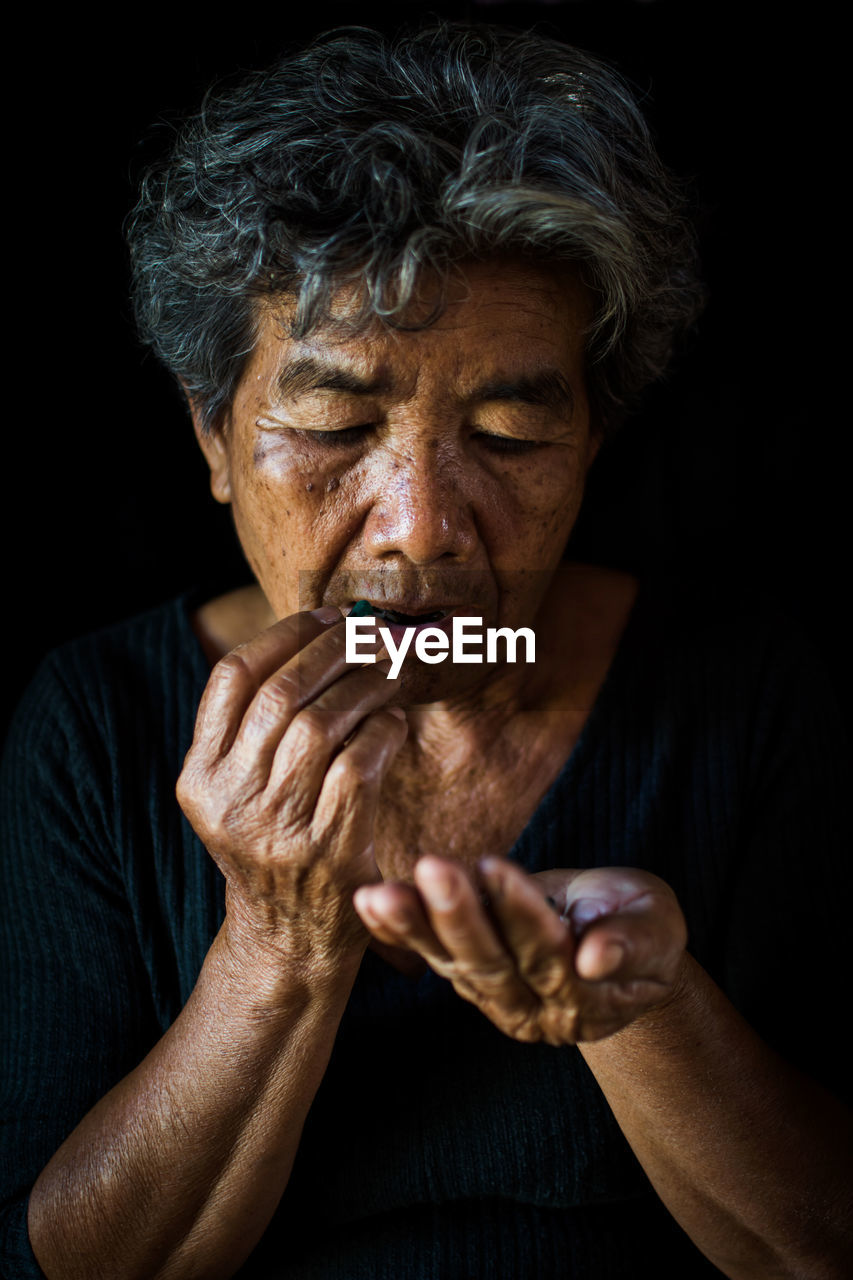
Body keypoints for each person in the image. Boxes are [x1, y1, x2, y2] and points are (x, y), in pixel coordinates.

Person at [1, 21, 851, 1280]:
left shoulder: (749, 690)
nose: (423, 527)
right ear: (213, 440)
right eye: (336, 424)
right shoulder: (95, 719)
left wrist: (643, 1004)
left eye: (509, 435)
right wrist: (277, 945)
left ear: (593, 445)